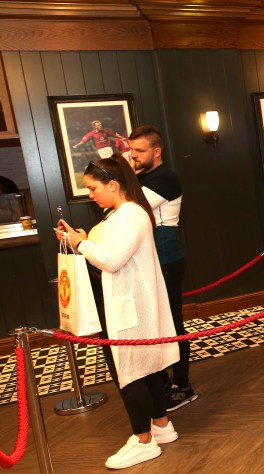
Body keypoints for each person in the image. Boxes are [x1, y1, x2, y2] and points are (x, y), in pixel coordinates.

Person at [55, 157, 180, 470]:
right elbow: (106, 247)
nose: (91, 195)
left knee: (131, 373)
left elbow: (111, 259)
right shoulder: (122, 214)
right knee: (146, 367)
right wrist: (82, 239)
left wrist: (81, 244)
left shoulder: (131, 215)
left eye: (94, 188)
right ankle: (161, 426)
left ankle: (143, 441)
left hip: (131, 308)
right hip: (129, 306)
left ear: (113, 185)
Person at [128, 125, 196, 412]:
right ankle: (163, 382)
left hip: (166, 259)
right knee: (154, 324)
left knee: (172, 324)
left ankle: (183, 386)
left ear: (157, 152)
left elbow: (132, 210)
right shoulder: (142, 176)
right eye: (131, 151)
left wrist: (124, 175)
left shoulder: (164, 177)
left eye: (139, 151)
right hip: (147, 260)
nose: (133, 157)